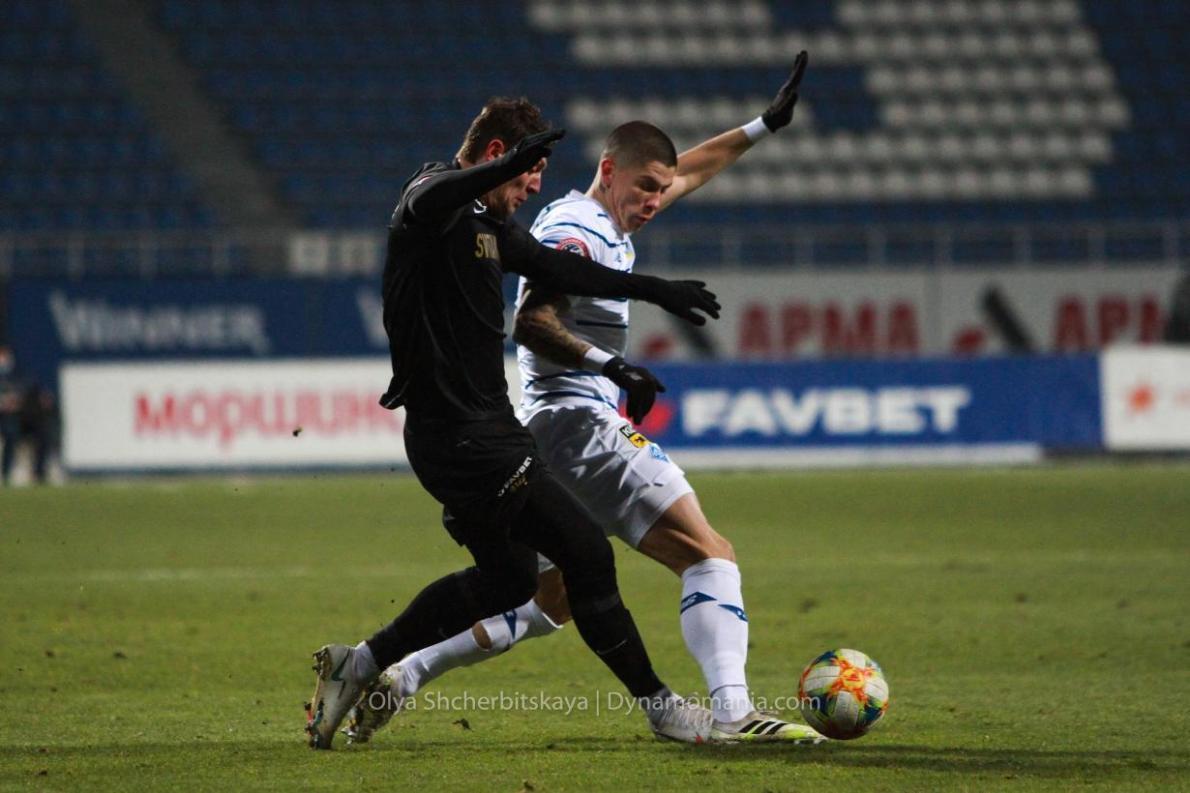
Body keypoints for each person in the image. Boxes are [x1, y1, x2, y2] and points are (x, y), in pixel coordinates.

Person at [348, 55, 824, 744]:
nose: (657, 200)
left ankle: (403, 673)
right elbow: (533, 320)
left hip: (550, 430)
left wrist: (761, 127)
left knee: (549, 597)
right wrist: (611, 364)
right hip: (579, 421)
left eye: (661, 190)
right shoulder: (576, 228)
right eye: (646, 187)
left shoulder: (614, 220)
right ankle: (732, 713)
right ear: (608, 172)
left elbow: (688, 171)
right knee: (707, 552)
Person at [305, 97, 724, 749]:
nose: (533, 188)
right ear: (498, 156)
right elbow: (431, 195)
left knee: (509, 581)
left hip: (479, 433)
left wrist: (656, 289)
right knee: (587, 553)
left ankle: (357, 663)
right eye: (530, 173)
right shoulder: (432, 200)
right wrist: (497, 169)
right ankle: (663, 708)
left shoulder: (492, 228)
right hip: (465, 439)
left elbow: (562, 270)